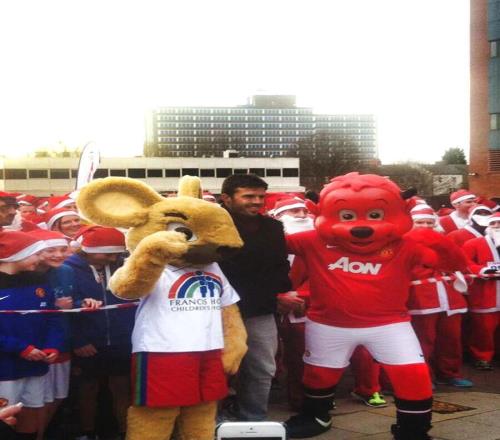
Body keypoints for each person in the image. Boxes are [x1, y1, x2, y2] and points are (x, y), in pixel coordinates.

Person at [219, 174, 291, 421]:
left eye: (261, 196)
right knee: (216, 367)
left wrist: (280, 293)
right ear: (226, 198)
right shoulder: (211, 224)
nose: (257, 202)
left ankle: (253, 418)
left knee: (262, 367)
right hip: (215, 309)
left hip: (260, 308)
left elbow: (280, 265)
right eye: (249, 196)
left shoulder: (273, 227)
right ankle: (210, 420)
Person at [27, 229, 101, 440]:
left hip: (61, 342)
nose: (58, 255)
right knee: (36, 400)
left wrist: (83, 303)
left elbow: (70, 301)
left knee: (56, 396)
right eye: (51, 250)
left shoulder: (66, 271)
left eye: (62, 249)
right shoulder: (25, 273)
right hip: (34, 345)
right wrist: (53, 305)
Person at [66, 226, 134, 440]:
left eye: (116, 253)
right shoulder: (68, 269)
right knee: (88, 389)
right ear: (88, 250)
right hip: (88, 340)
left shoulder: (122, 265)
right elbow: (62, 308)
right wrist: (78, 340)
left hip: (121, 339)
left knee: (122, 387)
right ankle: (87, 432)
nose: (112, 258)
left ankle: (124, 432)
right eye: (107, 253)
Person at [0, 230, 63, 440]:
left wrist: (53, 345)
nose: (41, 258)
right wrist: (21, 348)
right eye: (36, 253)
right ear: (16, 255)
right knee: (6, 420)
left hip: (36, 365)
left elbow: (53, 317)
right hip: (5, 369)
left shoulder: (39, 280)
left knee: (31, 416)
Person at [407, 207, 473, 387]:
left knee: (451, 339)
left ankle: (450, 374)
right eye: (420, 222)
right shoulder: (405, 245)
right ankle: (424, 377)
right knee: (423, 340)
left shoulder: (445, 241)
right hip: (422, 300)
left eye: (429, 222)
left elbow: (461, 264)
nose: (425, 226)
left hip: (451, 298)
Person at [463, 212, 500, 370]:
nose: (497, 227)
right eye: (493, 224)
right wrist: (482, 270)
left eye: (499, 223)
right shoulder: (473, 244)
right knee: (483, 329)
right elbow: (464, 263)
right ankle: (482, 357)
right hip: (485, 294)